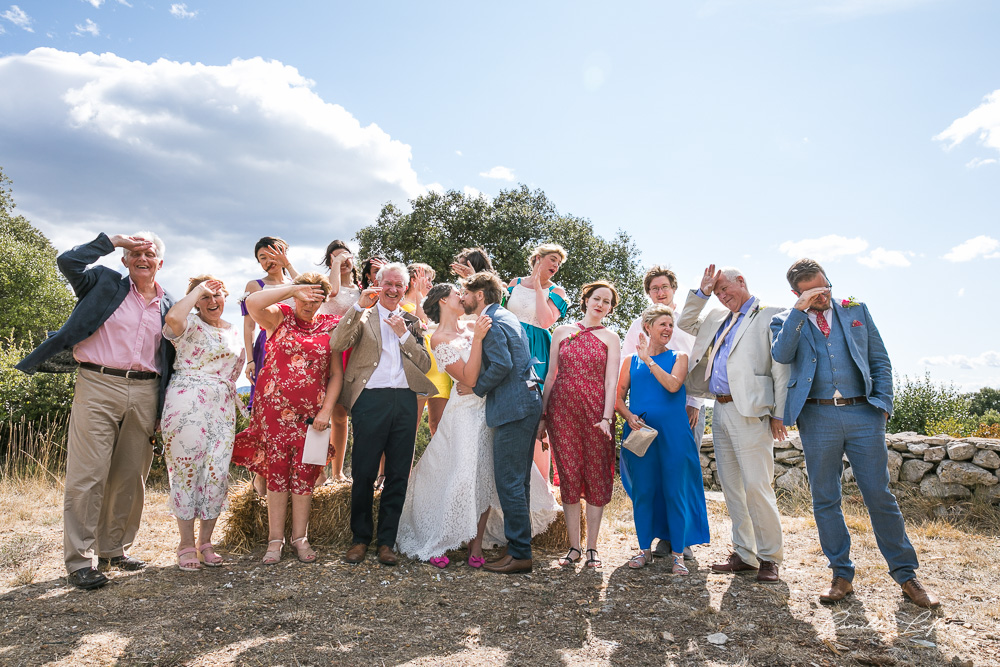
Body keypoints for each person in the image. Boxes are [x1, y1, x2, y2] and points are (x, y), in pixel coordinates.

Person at [771, 259, 940, 608]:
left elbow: (880, 360)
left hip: (864, 413)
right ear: (796, 293)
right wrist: (800, 313)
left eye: (825, 286)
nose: (823, 295)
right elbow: (782, 353)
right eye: (813, 292)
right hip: (816, 417)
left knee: (879, 495)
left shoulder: (856, 310)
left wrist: (883, 405)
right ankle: (841, 575)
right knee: (825, 498)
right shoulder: (785, 320)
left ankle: (907, 576)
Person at [17, 232, 175, 590]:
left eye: (149, 253)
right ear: (124, 260)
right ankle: (80, 561)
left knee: (131, 474)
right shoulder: (103, 282)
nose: (142, 258)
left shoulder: (169, 304)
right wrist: (113, 239)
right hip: (98, 384)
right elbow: (67, 262)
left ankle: (114, 549)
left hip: (146, 389)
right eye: (135, 253)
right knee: (88, 474)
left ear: (160, 262)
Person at [677, 264, 788, 584]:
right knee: (733, 488)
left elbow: (781, 367)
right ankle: (745, 553)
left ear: (743, 282)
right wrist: (703, 292)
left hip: (752, 411)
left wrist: (779, 413)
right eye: (719, 292)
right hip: (720, 409)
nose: (724, 296)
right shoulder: (715, 318)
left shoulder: (771, 315)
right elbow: (685, 322)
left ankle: (769, 558)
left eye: (727, 289)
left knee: (757, 485)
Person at [232, 273, 343, 565]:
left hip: (312, 417)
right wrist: (295, 288)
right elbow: (251, 302)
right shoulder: (279, 317)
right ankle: (274, 540)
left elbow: (336, 375)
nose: (310, 303)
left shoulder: (330, 326)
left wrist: (326, 411)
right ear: (295, 295)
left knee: (305, 475)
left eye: (317, 297)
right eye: (305, 297)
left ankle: (300, 538)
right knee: (277, 473)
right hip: (274, 412)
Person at [331, 262, 436, 566]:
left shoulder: (412, 321)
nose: (392, 290)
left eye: (398, 285)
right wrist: (356, 307)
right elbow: (337, 342)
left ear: (405, 289)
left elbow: (426, 364)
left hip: (404, 400)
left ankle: (386, 542)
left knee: (398, 473)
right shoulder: (362, 315)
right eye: (387, 284)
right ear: (376, 285)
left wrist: (404, 335)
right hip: (370, 400)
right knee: (363, 471)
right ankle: (360, 539)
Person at [616, 305, 711, 574]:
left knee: (675, 491)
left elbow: (672, 385)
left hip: (674, 435)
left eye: (671, 325)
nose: (669, 329)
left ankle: (678, 555)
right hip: (641, 435)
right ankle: (644, 549)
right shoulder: (629, 362)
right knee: (644, 492)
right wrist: (629, 416)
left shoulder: (679, 357)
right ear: (648, 327)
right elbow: (618, 398)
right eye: (663, 325)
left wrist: (648, 360)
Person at [461, 271, 544, 574]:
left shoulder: (492, 322)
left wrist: (476, 387)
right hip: (526, 401)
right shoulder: (505, 315)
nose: (463, 298)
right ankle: (518, 548)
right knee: (518, 481)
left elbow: (502, 364)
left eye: (466, 293)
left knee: (509, 481)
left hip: (513, 406)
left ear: (479, 295)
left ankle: (520, 554)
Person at [161, 276, 245, 571]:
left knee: (217, 472)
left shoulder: (234, 330)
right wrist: (198, 288)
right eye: (205, 297)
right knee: (186, 470)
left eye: (218, 296)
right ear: (196, 301)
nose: (212, 302)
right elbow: (172, 316)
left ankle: (206, 542)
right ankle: (185, 544)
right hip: (187, 400)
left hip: (222, 406)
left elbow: (237, 368)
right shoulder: (188, 324)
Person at [538, 281, 621, 569]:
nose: (600, 304)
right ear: (585, 300)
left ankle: (592, 549)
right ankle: (573, 548)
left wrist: (607, 417)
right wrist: (543, 415)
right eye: (596, 298)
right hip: (562, 413)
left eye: (607, 302)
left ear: (610, 308)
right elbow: (550, 376)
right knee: (570, 475)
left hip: (597, 414)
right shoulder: (561, 332)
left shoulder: (611, 338)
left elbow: (611, 381)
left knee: (597, 475)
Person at [505, 243, 569, 482]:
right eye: (552, 259)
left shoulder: (557, 291)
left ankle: (541, 482)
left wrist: (540, 289)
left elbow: (544, 321)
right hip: (509, 344)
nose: (556, 266)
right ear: (538, 258)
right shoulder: (514, 283)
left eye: (559, 264)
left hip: (537, 349)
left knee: (536, 412)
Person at [317, 240, 362, 483]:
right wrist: (336, 263)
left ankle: (337, 472)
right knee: (322, 411)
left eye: (345, 257)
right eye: (334, 258)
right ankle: (318, 472)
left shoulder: (360, 290)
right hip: (326, 350)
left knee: (341, 415)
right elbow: (332, 292)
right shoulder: (326, 286)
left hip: (352, 351)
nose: (342, 262)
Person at [240, 237, 299, 414]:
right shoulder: (254, 285)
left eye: (273, 254)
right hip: (268, 344)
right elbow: (249, 325)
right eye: (262, 257)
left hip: (296, 342)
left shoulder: (295, 282)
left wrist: (288, 265)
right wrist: (250, 360)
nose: (268, 261)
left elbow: (308, 287)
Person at [403, 263, 452, 437]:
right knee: (411, 428)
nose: (430, 284)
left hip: (439, 368)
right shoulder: (401, 303)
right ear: (413, 279)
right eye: (426, 279)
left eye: (431, 280)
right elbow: (419, 326)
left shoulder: (435, 307)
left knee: (438, 426)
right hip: (419, 369)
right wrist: (417, 294)